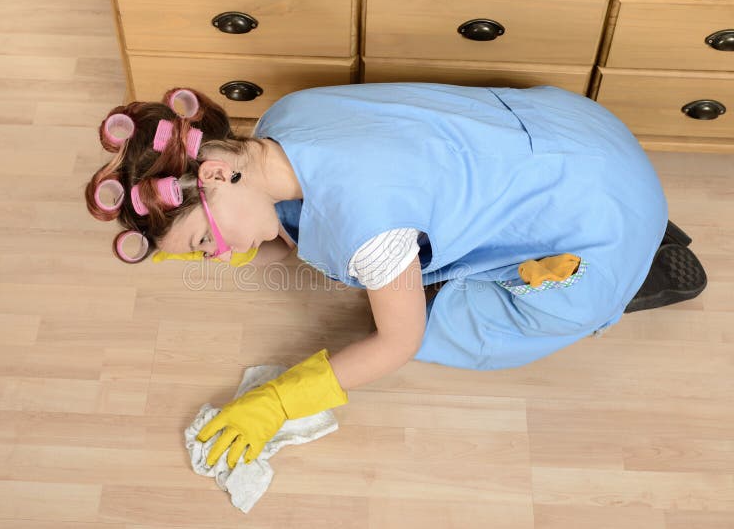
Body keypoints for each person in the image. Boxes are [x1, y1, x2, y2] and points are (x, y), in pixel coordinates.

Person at [84, 83, 706, 470]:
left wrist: (279, 401)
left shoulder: (368, 230)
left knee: (441, 326)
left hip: (597, 225)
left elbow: (396, 344)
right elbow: (291, 226)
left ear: (216, 176)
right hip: (575, 133)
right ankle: (626, 220)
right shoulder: (283, 119)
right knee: (369, 263)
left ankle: (629, 275)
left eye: (205, 244)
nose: (218, 259)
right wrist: (202, 242)